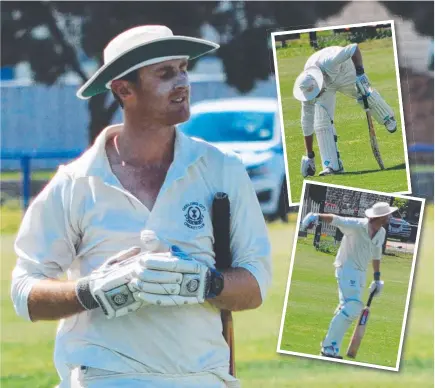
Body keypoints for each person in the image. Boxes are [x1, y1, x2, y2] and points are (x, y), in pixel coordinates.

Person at [11, 25, 272, 387]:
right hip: (107, 378)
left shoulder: (222, 169)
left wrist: (204, 282)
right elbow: (25, 293)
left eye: (183, 68)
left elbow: (255, 286)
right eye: (165, 73)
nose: (182, 82)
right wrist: (91, 291)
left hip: (201, 379)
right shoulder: (76, 182)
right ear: (123, 89)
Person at [300, 201, 396, 359]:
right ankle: (328, 346)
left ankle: (331, 346)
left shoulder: (381, 232)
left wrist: (377, 278)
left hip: (360, 273)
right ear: (381, 217)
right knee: (354, 306)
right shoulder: (357, 225)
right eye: (388, 214)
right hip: (346, 268)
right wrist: (316, 216)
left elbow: (377, 255)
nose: (390, 216)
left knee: (347, 308)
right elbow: (337, 219)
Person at [293, 43, 397, 177]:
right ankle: (332, 165)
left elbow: (354, 48)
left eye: (316, 92)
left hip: (345, 71)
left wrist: (360, 72)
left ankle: (387, 117)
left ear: (318, 82)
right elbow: (306, 124)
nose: (315, 96)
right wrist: (310, 155)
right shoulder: (306, 89)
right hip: (328, 85)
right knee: (321, 118)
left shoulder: (329, 61)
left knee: (364, 92)